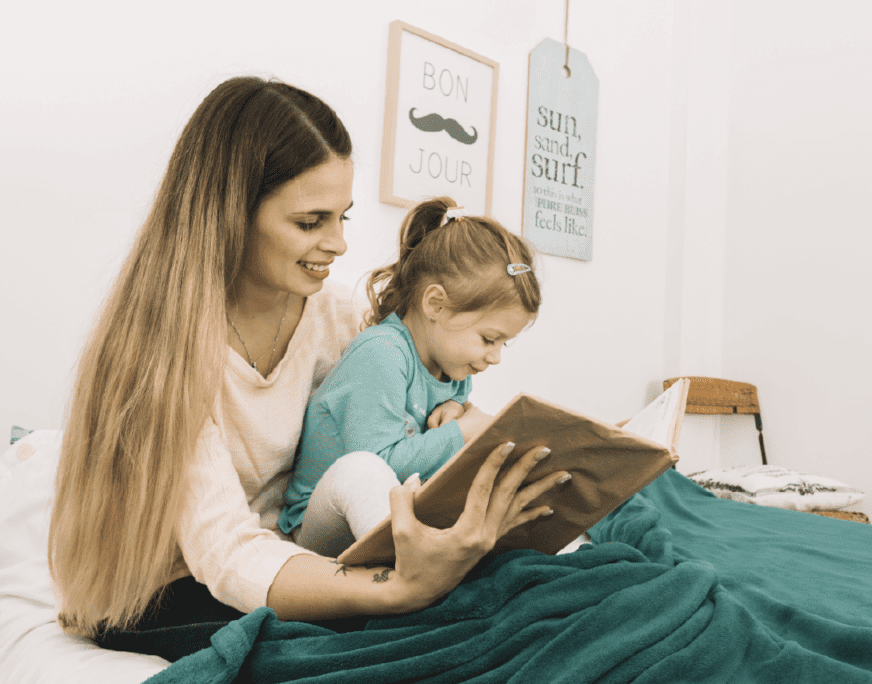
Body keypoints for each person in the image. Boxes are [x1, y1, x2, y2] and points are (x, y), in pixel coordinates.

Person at [46, 76, 566, 661]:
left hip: (290, 555)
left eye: (342, 216)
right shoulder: (156, 352)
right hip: (160, 591)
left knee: (513, 610)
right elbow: (226, 553)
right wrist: (396, 589)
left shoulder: (341, 318)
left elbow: (386, 452)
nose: (340, 243)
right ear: (230, 214)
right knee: (387, 648)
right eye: (310, 221)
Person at [280, 198, 545, 557]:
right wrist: (465, 430)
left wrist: (459, 409)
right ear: (435, 304)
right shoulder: (382, 354)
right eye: (488, 339)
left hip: (405, 517)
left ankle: (433, 564)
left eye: (503, 344)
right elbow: (380, 464)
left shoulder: (454, 369)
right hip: (324, 522)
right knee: (362, 471)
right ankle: (416, 577)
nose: (495, 357)